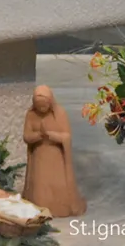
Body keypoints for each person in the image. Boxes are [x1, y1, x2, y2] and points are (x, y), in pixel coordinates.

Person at [21, 85, 86, 217]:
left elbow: (66, 136)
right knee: (40, 188)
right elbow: (26, 136)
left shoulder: (60, 114)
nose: (41, 110)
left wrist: (51, 135)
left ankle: (60, 208)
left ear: (50, 102)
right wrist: (39, 135)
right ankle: (41, 210)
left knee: (58, 186)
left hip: (56, 158)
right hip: (39, 157)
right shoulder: (31, 114)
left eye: (44, 106)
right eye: (39, 107)